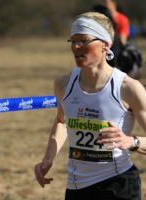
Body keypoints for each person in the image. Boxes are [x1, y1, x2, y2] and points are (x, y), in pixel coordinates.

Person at [34, 12, 146, 200]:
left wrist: (132, 142)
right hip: (77, 187)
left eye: (84, 41)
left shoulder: (128, 88)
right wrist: (48, 158)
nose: (76, 47)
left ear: (105, 45)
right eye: (73, 41)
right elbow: (62, 121)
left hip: (118, 185)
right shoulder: (63, 84)